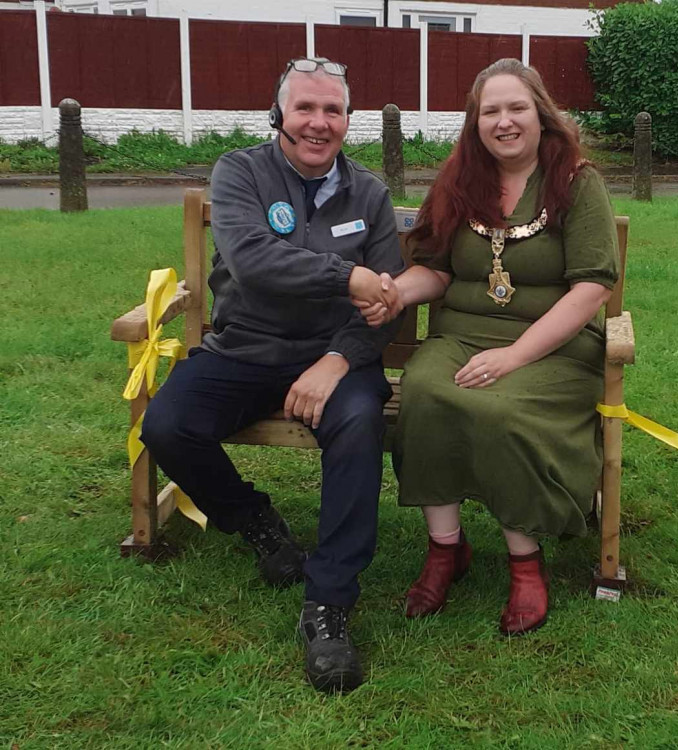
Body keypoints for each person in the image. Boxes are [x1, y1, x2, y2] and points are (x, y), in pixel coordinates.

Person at [140, 58, 404, 693]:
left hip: (335, 356)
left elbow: (386, 306)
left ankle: (329, 605)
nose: (319, 123)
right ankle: (256, 521)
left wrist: (336, 360)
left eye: (332, 111)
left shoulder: (369, 193)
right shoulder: (240, 171)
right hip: (244, 348)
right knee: (168, 425)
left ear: (348, 121)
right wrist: (348, 276)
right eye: (305, 108)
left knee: (360, 420)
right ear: (279, 115)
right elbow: (254, 261)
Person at [357, 58, 620, 634]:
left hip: (555, 347)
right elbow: (436, 271)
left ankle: (525, 564)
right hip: (463, 337)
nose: (504, 122)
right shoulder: (459, 182)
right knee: (423, 393)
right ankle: (445, 550)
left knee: (497, 408)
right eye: (490, 111)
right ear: (476, 122)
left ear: (541, 114)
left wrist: (513, 356)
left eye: (516, 108)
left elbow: (591, 289)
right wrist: (396, 292)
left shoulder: (577, 181)